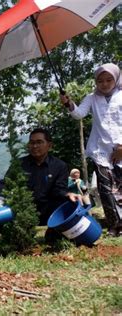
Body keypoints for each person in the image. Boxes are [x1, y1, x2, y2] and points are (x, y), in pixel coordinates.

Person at [60, 63, 122, 237]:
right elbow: (79, 114)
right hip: (100, 149)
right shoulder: (92, 97)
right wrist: (68, 104)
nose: (104, 83)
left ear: (116, 79)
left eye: (109, 79)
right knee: (105, 188)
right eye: (100, 80)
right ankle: (114, 224)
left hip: (120, 148)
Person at [0, 128, 80, 241]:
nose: (34, 146)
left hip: (49, 210)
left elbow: (59, 189)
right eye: (32, 142)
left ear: (49, 145)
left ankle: (55, 231)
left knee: (67, 201)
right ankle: (19, 234)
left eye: (39, 142)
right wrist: (0, 199)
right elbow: (5, 184)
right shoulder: (19, 164)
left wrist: (68, 194)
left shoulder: (59, 166)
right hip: (23, 209)